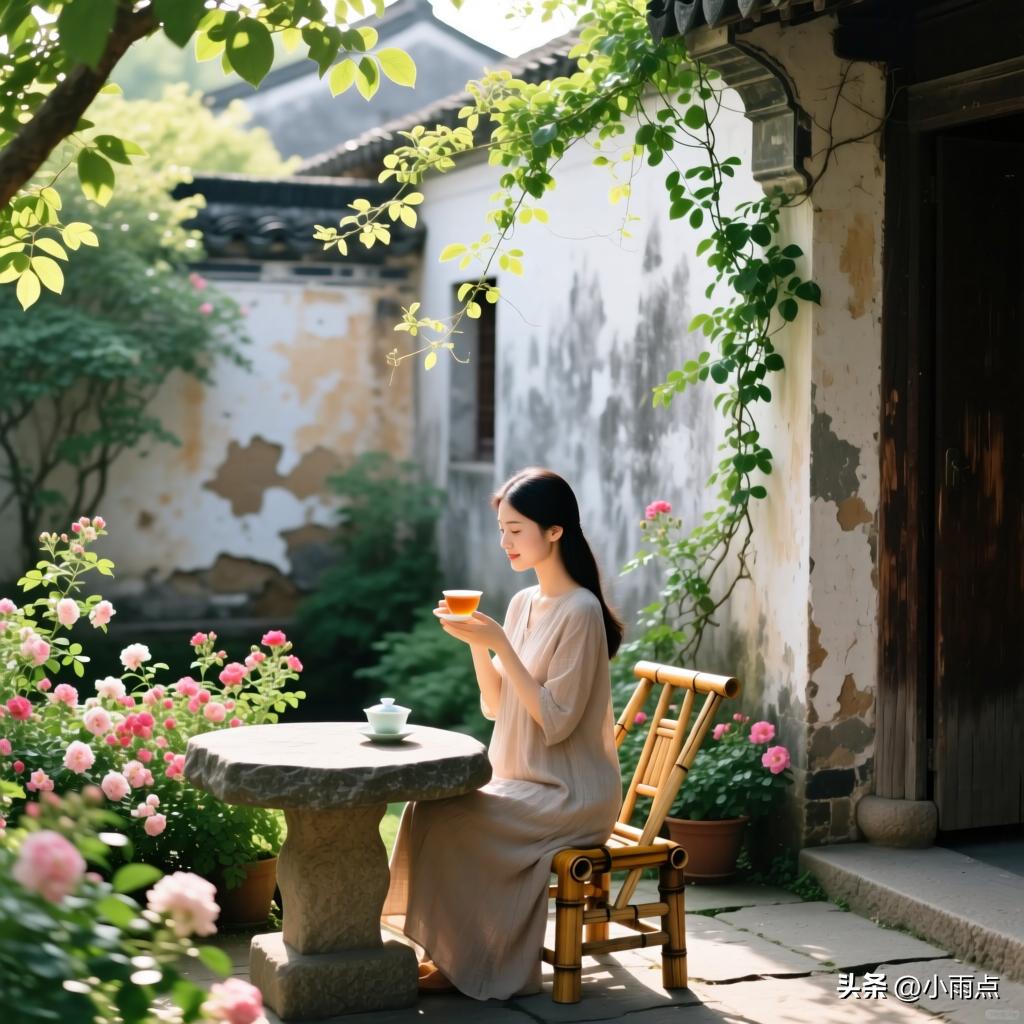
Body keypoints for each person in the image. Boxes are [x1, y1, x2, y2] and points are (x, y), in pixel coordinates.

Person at [382, 467, 624, 999]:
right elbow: (495, 706)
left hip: (570, 794)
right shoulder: (521, 603)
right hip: (521, 781)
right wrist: (477, 642)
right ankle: (447, 952)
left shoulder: (581, 611)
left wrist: (501, 644)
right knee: (430, 807)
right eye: (501, 530)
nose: (504, 542)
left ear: (555, 531)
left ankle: (470, 962)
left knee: (452, 819)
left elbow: (556, 722)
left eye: (516, 530)